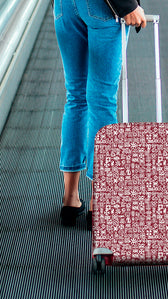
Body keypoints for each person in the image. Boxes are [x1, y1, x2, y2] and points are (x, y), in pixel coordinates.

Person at [53, 0, 146, 227]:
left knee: (75, 97)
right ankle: (99, 203)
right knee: (101, 102)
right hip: (103, 8)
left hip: (64, 7)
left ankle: (70, 199)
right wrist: (127, 5)